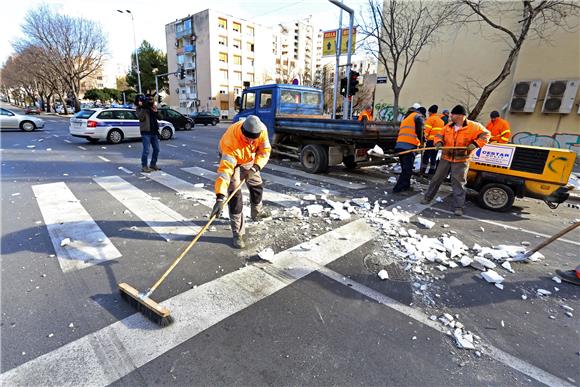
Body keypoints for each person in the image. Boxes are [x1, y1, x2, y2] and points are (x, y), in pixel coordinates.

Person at [210, 115, 272, 249]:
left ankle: (257, 212)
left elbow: (265, 151)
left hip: (249, 158)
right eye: (248, 139)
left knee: (257, 185)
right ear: (243, 134)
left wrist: (255, 167)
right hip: (233, 158)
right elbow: (225, 172)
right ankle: (238, 232)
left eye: (253, 139)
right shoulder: (230, 142)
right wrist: (220, 198)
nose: (251, 142)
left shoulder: (262, 130)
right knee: (235, 194)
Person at [421, 105, 490, 216]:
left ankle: (459, 207)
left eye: (453, 114)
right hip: (446, 157)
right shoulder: (448, 126)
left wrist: (476, 144)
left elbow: (486, 135)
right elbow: (438, 135)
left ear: (460, 116)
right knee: (436, 178)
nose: (451, 116)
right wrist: (438, 142)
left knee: (458, 184)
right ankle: (427, 198)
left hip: (461, 159)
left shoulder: (474, 126)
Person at [392, 105, 425, 193]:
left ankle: (406, 185)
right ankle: (398, 188)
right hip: (409, 146)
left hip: (400, 145)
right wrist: (422, 142)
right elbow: (420, 131)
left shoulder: (407, 117)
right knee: (407, 169)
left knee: (406, 168)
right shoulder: (418, 117)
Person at [136, 94, 161, 173]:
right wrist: (144, 108)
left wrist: (156, 110)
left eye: (152, 99)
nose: (150, 101)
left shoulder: (152, 107)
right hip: (146, 132)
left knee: (157, 149)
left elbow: (160, 117)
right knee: (146, 150)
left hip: (154, 132)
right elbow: (140, 117)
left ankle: (153, 164)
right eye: (149, 100)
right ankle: (144, 166)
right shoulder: (140, 108)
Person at [421, 105, 445, 176]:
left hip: (431, 141)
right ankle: (432, 172)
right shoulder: (441, 121)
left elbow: (426, 131)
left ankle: (423, 171)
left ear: (430, 112)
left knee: (426, 156)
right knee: (434, 156)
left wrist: (423, 139)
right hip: (437, 142)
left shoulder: (430, 119)